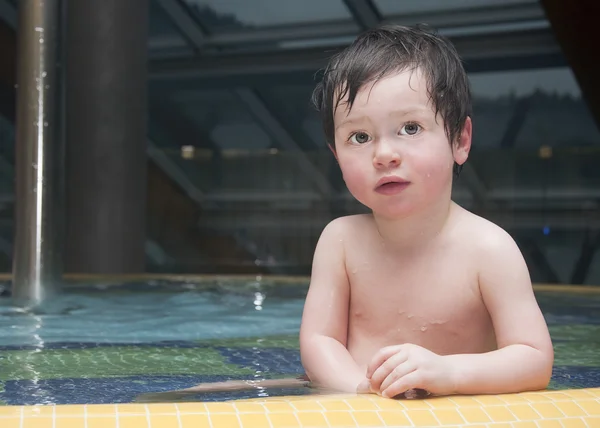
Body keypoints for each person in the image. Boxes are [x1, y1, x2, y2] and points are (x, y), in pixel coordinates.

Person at [299, 24, 554, 399]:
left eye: (410, 127)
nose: (384, 154)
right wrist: (359, 389)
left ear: (460, 140)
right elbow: (319, 341)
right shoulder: (340, 241)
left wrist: (448, 371)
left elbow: (534, 359)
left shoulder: (488, 249)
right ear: (336, 155)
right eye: (360, 137)